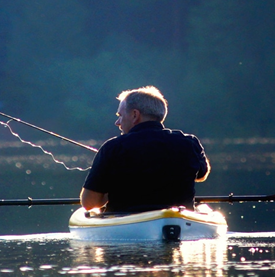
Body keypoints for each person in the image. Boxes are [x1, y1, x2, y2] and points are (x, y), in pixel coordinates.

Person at [80, 86, 209, 214]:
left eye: (120, 115)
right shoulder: (189, 142)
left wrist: (111, 189)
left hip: (126, 224)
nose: (117, 122)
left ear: (135, 115)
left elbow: (89, 203)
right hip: (179, 222)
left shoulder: (112, 147)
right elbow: (202, 175)